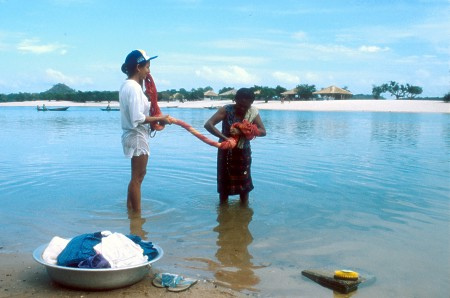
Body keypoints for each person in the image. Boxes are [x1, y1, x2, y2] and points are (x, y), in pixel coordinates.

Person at [119, 49, 172, 212]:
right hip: (136, 135)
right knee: (138, 178)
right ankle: (137, 218)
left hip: (133, 135)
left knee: (136, 177)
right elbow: (137, 118)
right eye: (147, 67)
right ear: (138, 68)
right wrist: (160, 119)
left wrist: (157, 118)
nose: (149, 71)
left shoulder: (127, 85)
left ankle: (131, 211)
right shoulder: (134, 88)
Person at [204, 88, 266, 203]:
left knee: (244, 186)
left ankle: (244, 207)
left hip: (243, 152)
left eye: (246, 106)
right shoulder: (226, 110)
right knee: (224, 186)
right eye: (240, 105)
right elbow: (208, 125)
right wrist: (225, 138)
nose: (242, 108)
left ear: (251, 103)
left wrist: (249, 130)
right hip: (226, 151)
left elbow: (263, 131)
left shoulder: (252, 112)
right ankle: (224, 213)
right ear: (235, 100)